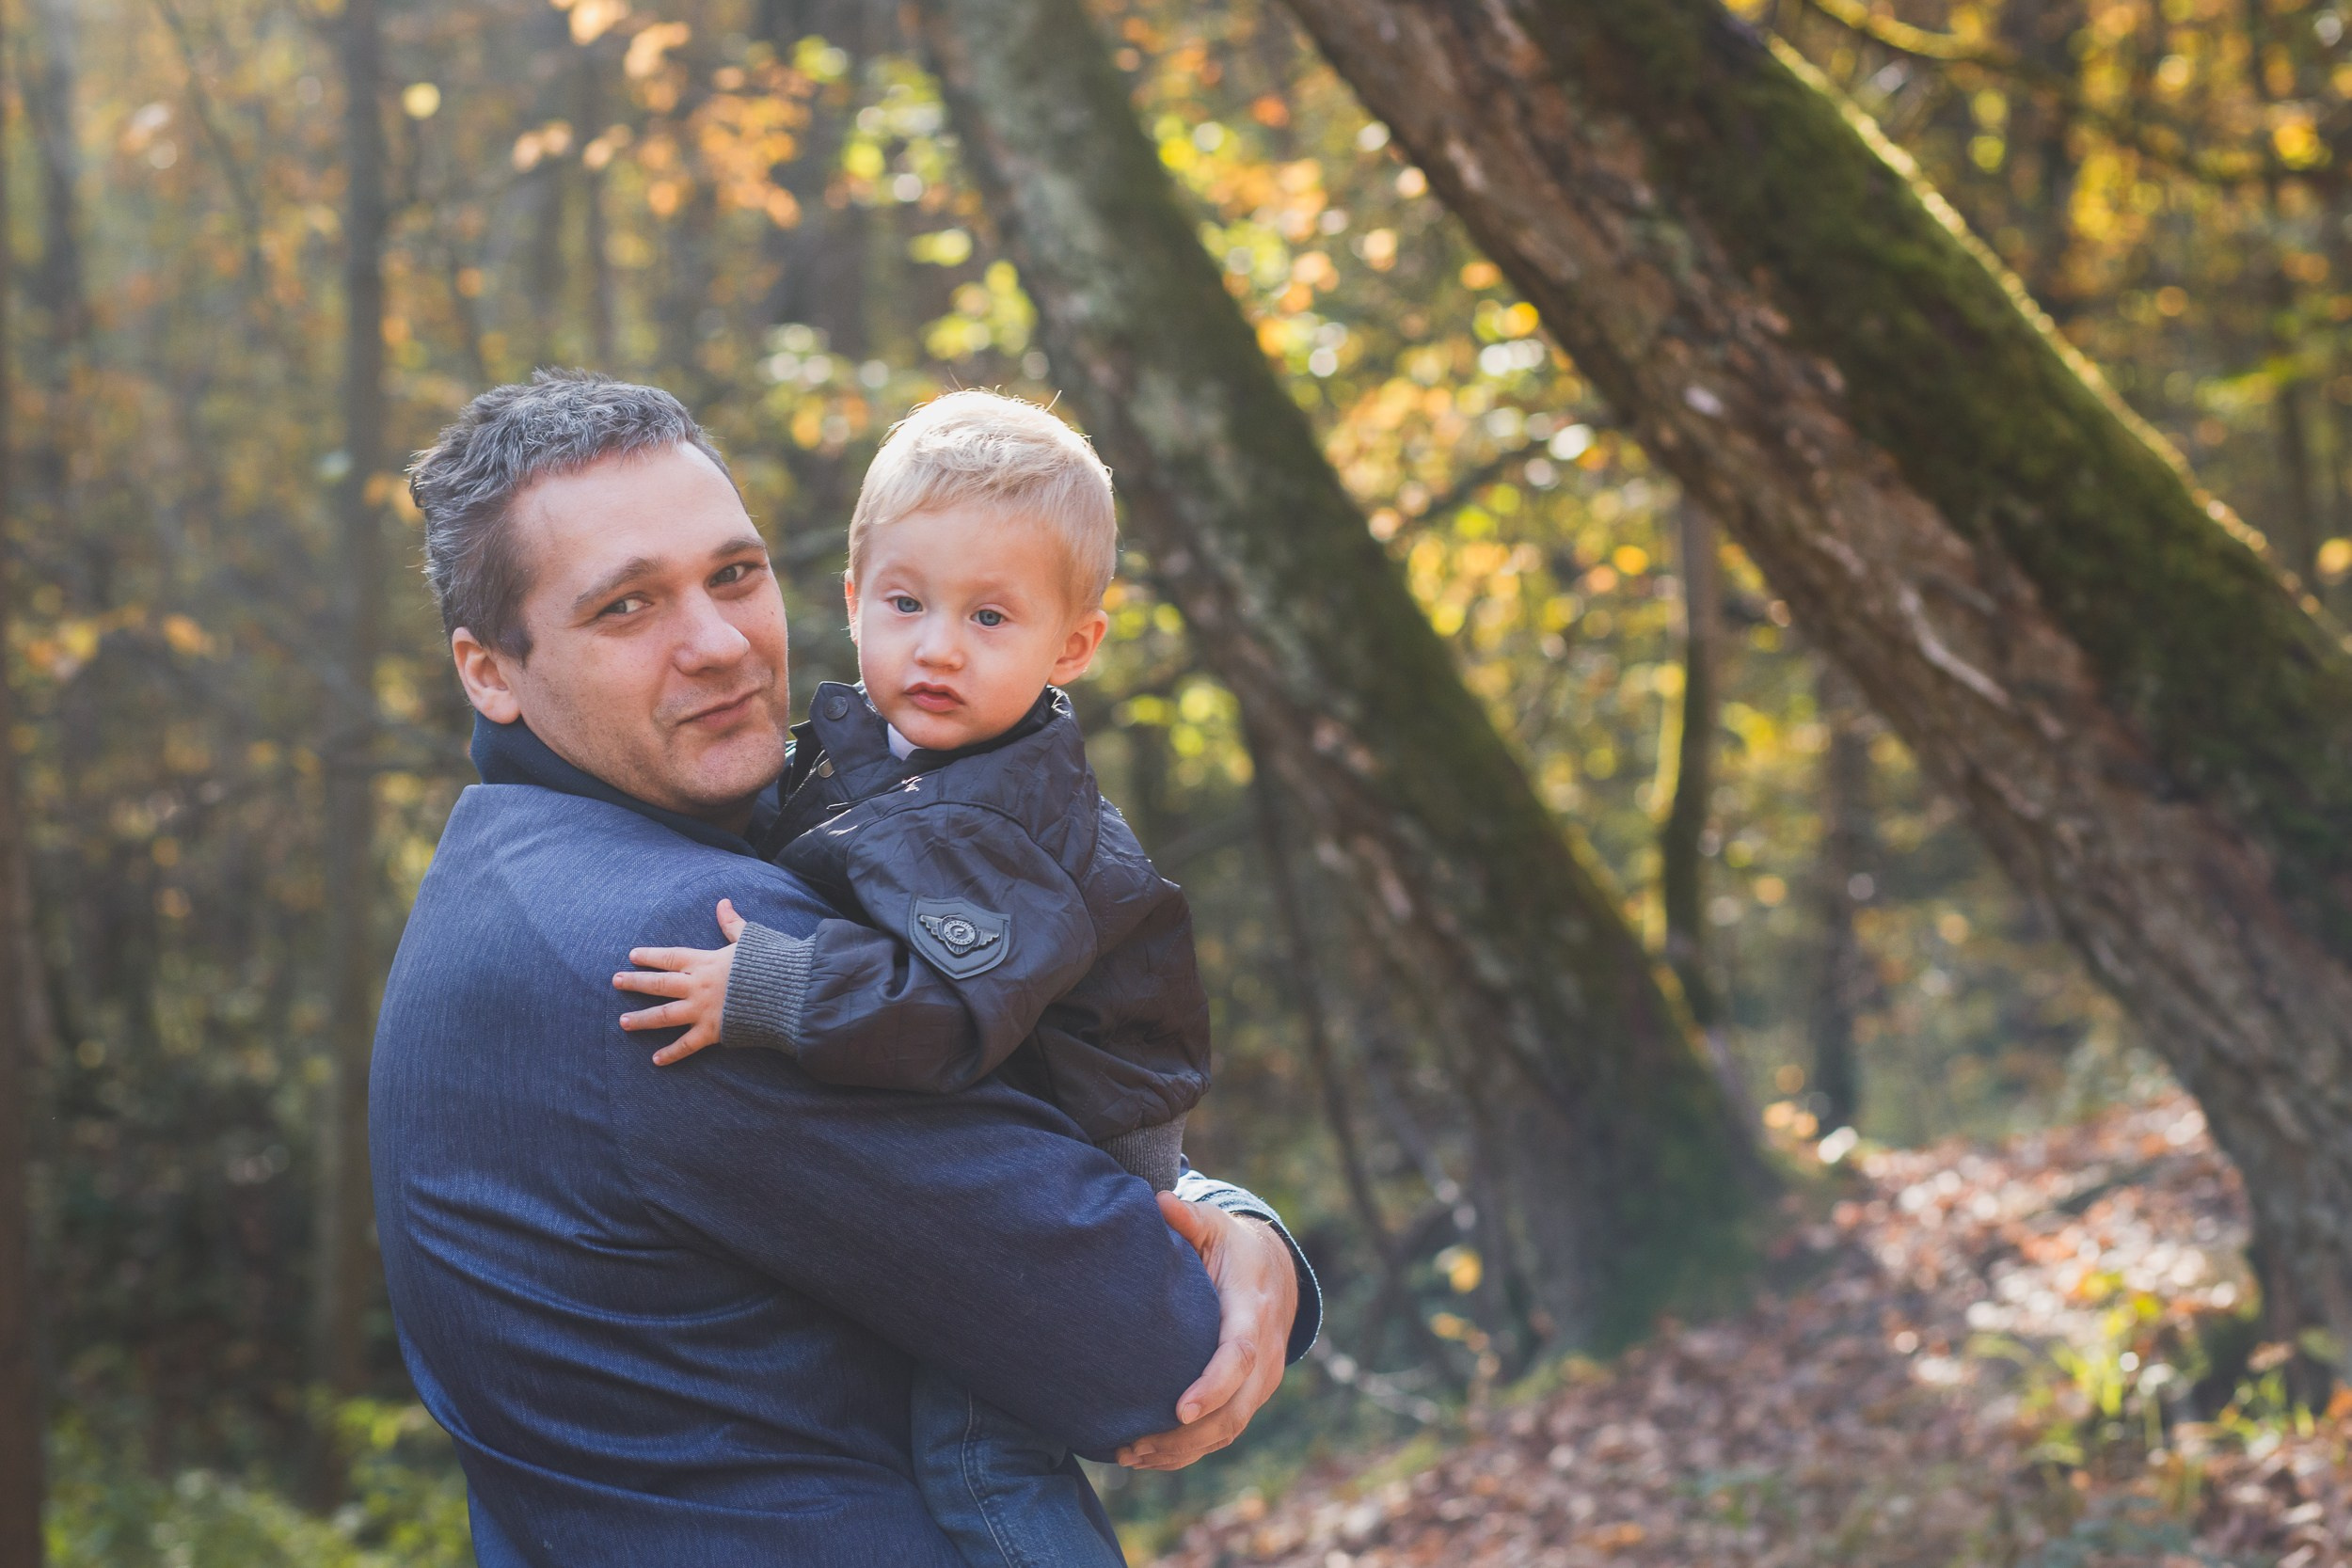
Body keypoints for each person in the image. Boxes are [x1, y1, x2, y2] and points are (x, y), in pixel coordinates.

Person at [370, 370, 1317, 1567]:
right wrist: (1239, 1235)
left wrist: (1216, 1207)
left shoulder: (501, 876)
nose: (717, 644)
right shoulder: (686, 951)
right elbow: (1155, 1347)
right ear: (488, 670)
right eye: (626, 609)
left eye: (734, 573)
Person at [608, 390, 1212, 1568]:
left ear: (1071, 646)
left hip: (1083, 1154)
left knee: (982, 1455)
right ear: (852, 597)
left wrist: (771, 988)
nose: (936, 646)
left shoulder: (998, 816)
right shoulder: (892, 755)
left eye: (990, 616)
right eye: (906, 603)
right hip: (1026, 1116)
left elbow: (943, 1011)